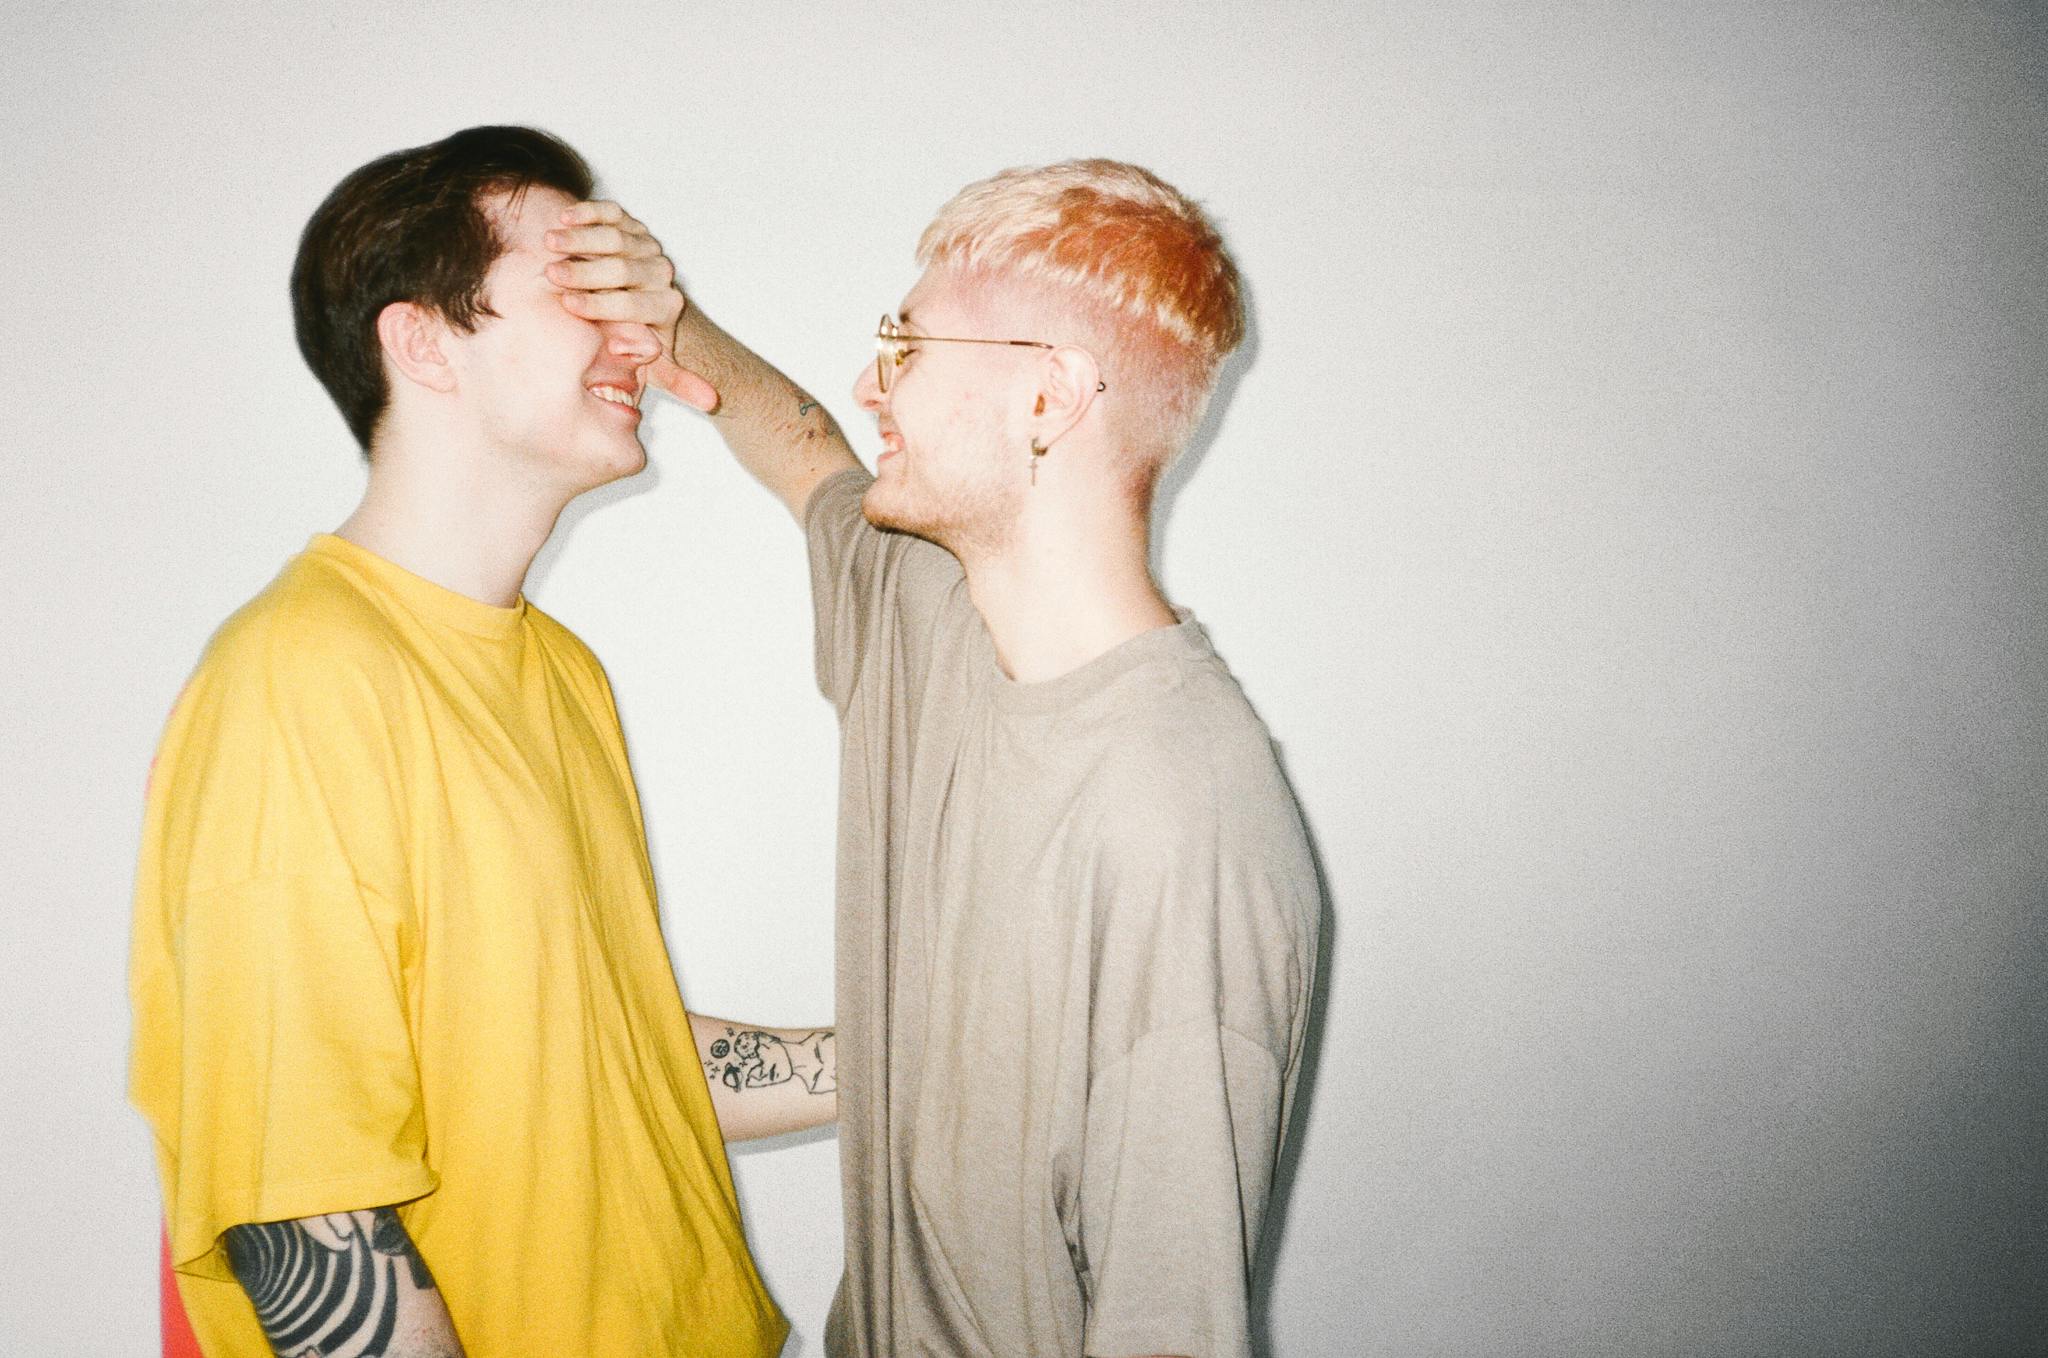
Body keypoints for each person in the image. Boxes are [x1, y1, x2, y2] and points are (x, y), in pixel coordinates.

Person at [594, 157, 1321, 1357]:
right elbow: (808, 452)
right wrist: (682, 333)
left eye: (907, 346)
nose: (868, 381)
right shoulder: (929, 607)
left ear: (1049, 398)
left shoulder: (1184, 827)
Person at [129, 126, 830, 1358]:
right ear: (421, 342)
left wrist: (947, 1045)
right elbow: (309, 1207)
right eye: (582, 293)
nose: (637, 338)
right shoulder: (299, 678)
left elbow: (613, 1055)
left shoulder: (560, 672)